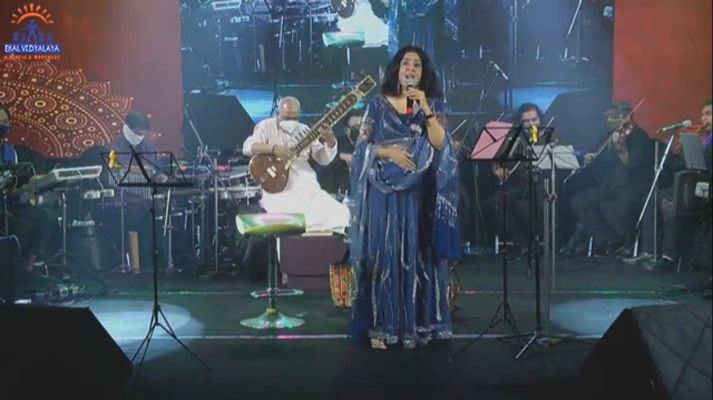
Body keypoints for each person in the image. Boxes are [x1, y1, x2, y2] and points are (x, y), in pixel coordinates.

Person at [348, 46, 461, 349]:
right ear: (397, 69)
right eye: (406, 64)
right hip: (382, 193)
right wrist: (388, 152)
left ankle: (418, 325)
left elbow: (441, 144)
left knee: (417, 256)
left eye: (417, 65)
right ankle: (383, 326)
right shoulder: (376, 105)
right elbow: (361, 149)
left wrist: (425, 108)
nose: (411, 69)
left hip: (418, 194)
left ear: (423, 74)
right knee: (383, 256)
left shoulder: (431, 105)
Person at [625, 98, 713, 270]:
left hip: (706, 187)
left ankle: (669, 257)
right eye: (703, 115)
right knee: (652, 197)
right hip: (694, 184)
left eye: (708, 114)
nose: (703, 119)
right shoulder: (706, 138)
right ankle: (649, 251)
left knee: (670, 203)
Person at [242, 97, 350, 233]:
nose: (290, 122)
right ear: (278, 113)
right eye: (286, 118)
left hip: (308, 189)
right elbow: (248, 147)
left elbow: (323, 159)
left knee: (342, 214)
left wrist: (330, 141)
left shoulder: (304, 130)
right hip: (279, 192)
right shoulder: (266, 126)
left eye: (294, 118)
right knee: (293, 220)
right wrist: (274, 149)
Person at [568, 102, 655, 257]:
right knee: (579, 201)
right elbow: (600, 159)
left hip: (631, 185)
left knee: (616, 207)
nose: (609, 120)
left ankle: (623, 241)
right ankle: (608, 239)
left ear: (627, 118)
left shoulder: (639, 137)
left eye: (614, 117)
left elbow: (632, 164)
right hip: (610, 185)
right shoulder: (607, 136)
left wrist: (621, 148)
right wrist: (590, 157)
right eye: (608, 117)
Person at [0, 106, 58, 274]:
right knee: (22, 225)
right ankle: (13, 271)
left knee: (46, 217)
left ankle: (30, 263)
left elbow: (15, 181)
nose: (2, 124)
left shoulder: (11, 152)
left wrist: (30, 184)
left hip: (11, 202)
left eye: (5, 121)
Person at [489, 103, 546, 249]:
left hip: (539, 185)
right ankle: (517, 239)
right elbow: (498, 158)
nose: (531, 124)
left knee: (523, 207)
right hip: (517, 183)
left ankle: (532, 241)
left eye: (534, 120)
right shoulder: (515, 137)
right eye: (526, 121)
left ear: (540, 119)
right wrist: (497, 168)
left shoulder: (547, 137)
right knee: (497, 201)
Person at [316, 108, 362, 194]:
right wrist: (339, 157)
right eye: (356, 127)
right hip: (337, 192)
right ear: (346, 129)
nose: (360, 130)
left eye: (362, 126)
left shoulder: (370, 145)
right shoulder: (334, 144)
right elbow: (320, 167)